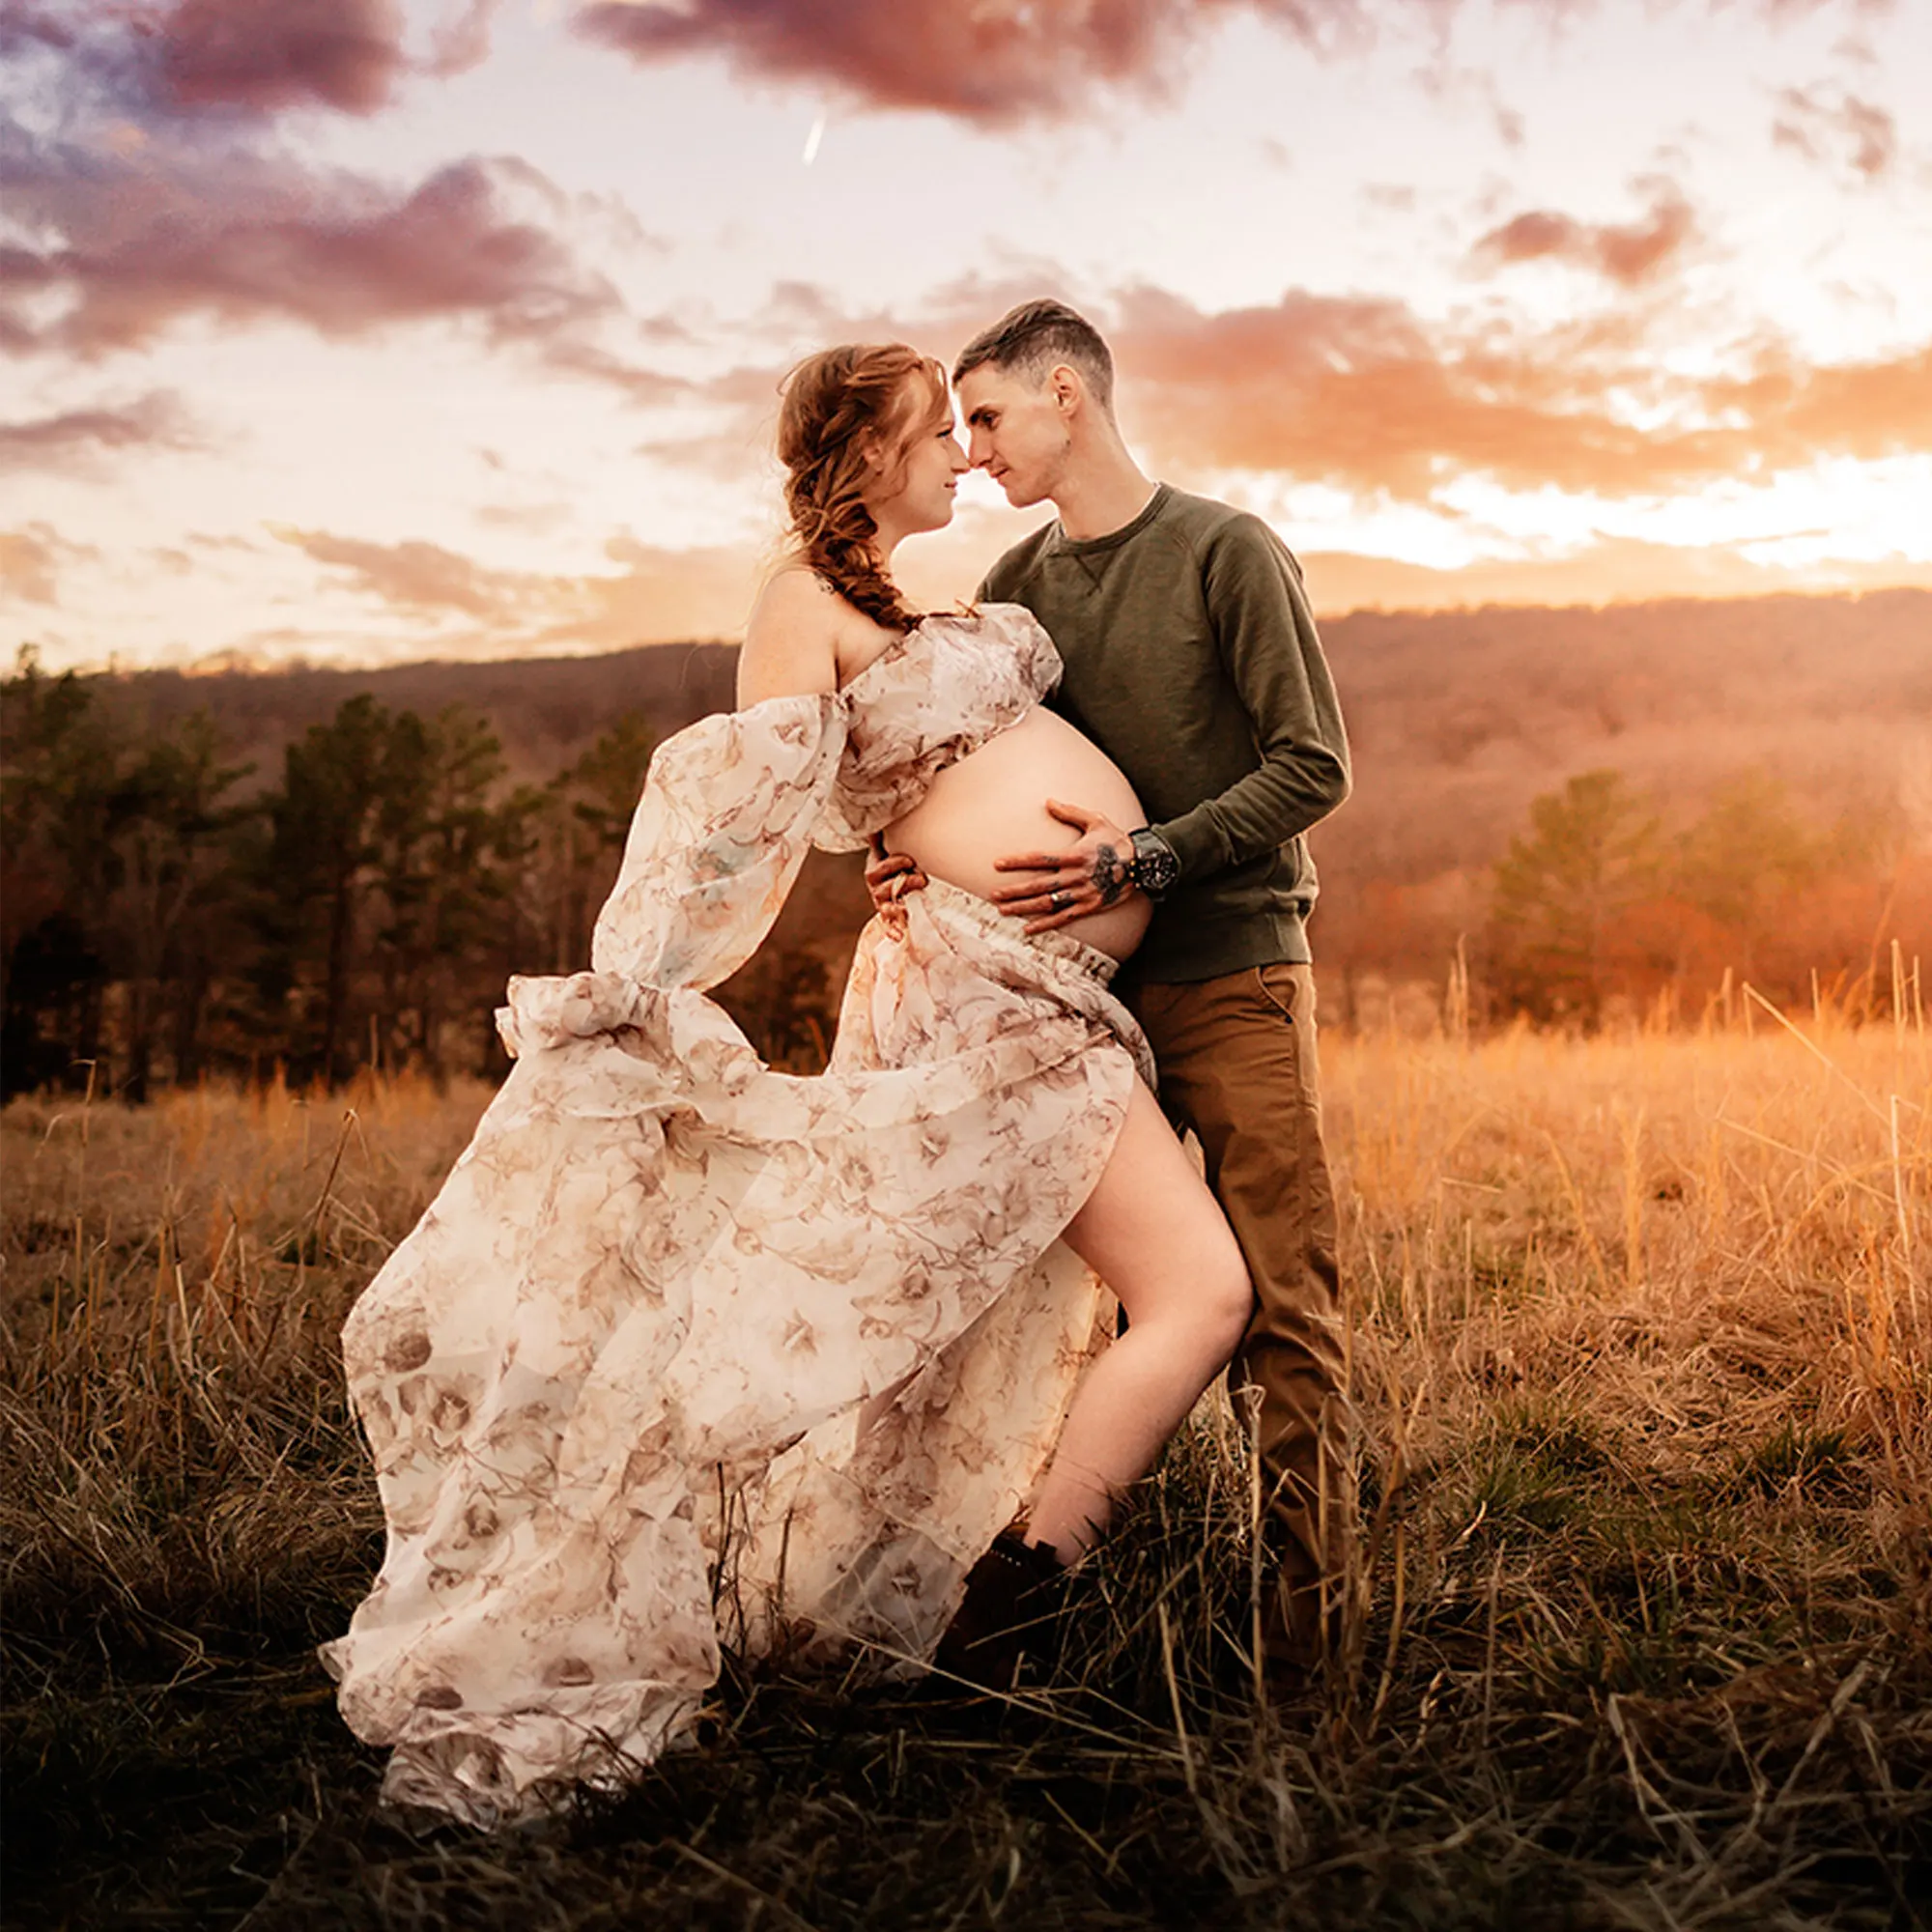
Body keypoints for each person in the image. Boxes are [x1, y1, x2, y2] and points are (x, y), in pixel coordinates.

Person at [322, 342, 1254, 1826]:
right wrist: (638, 987)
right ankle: (1016, 1619)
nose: (959, 454)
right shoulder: (799, 603)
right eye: (933, 435)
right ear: (865, 452)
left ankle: (964, 1616)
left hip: (1051, 981)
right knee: (1199, 1290)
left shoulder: (938, 597)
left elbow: (928, 775)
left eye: (971, 429)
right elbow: (737, 810)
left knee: (977, 1338)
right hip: (982, 995)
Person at [870, 300, 1355, 1688]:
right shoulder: (1024, 586)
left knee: (1282, 1312)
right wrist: (919, 862)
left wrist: (1149, 854)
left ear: (1070, 397)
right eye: (962, 430)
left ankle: (1301, 1664)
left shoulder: (1225, 550)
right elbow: (990, 771)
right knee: (1136, 1307)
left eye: (993, 419)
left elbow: (1311, 764)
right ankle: (1052, 1595)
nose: (974, 453)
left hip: (1232, 979)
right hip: (1080, 1014)